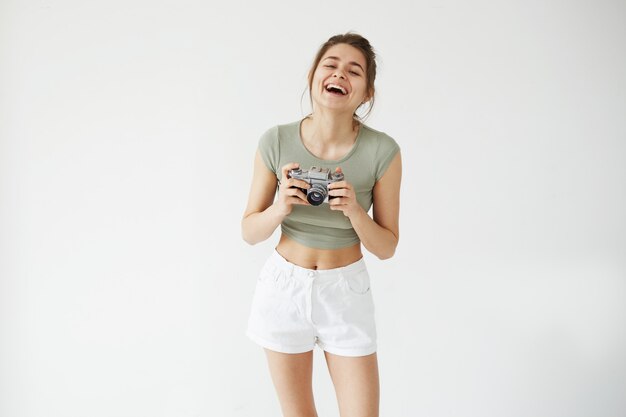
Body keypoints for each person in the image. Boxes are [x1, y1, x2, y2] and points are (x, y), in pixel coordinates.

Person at [241, 32, 401, 417]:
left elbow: (386, 247)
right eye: (331, 65)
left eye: (354, 71)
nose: (340, 74)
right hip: (283, 288)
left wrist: (355, 211)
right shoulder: (275, 140)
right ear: (314, 76)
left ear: (366, 93)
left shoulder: (383, 151)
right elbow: (249, 232)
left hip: (345, 290)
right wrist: (281, 207)